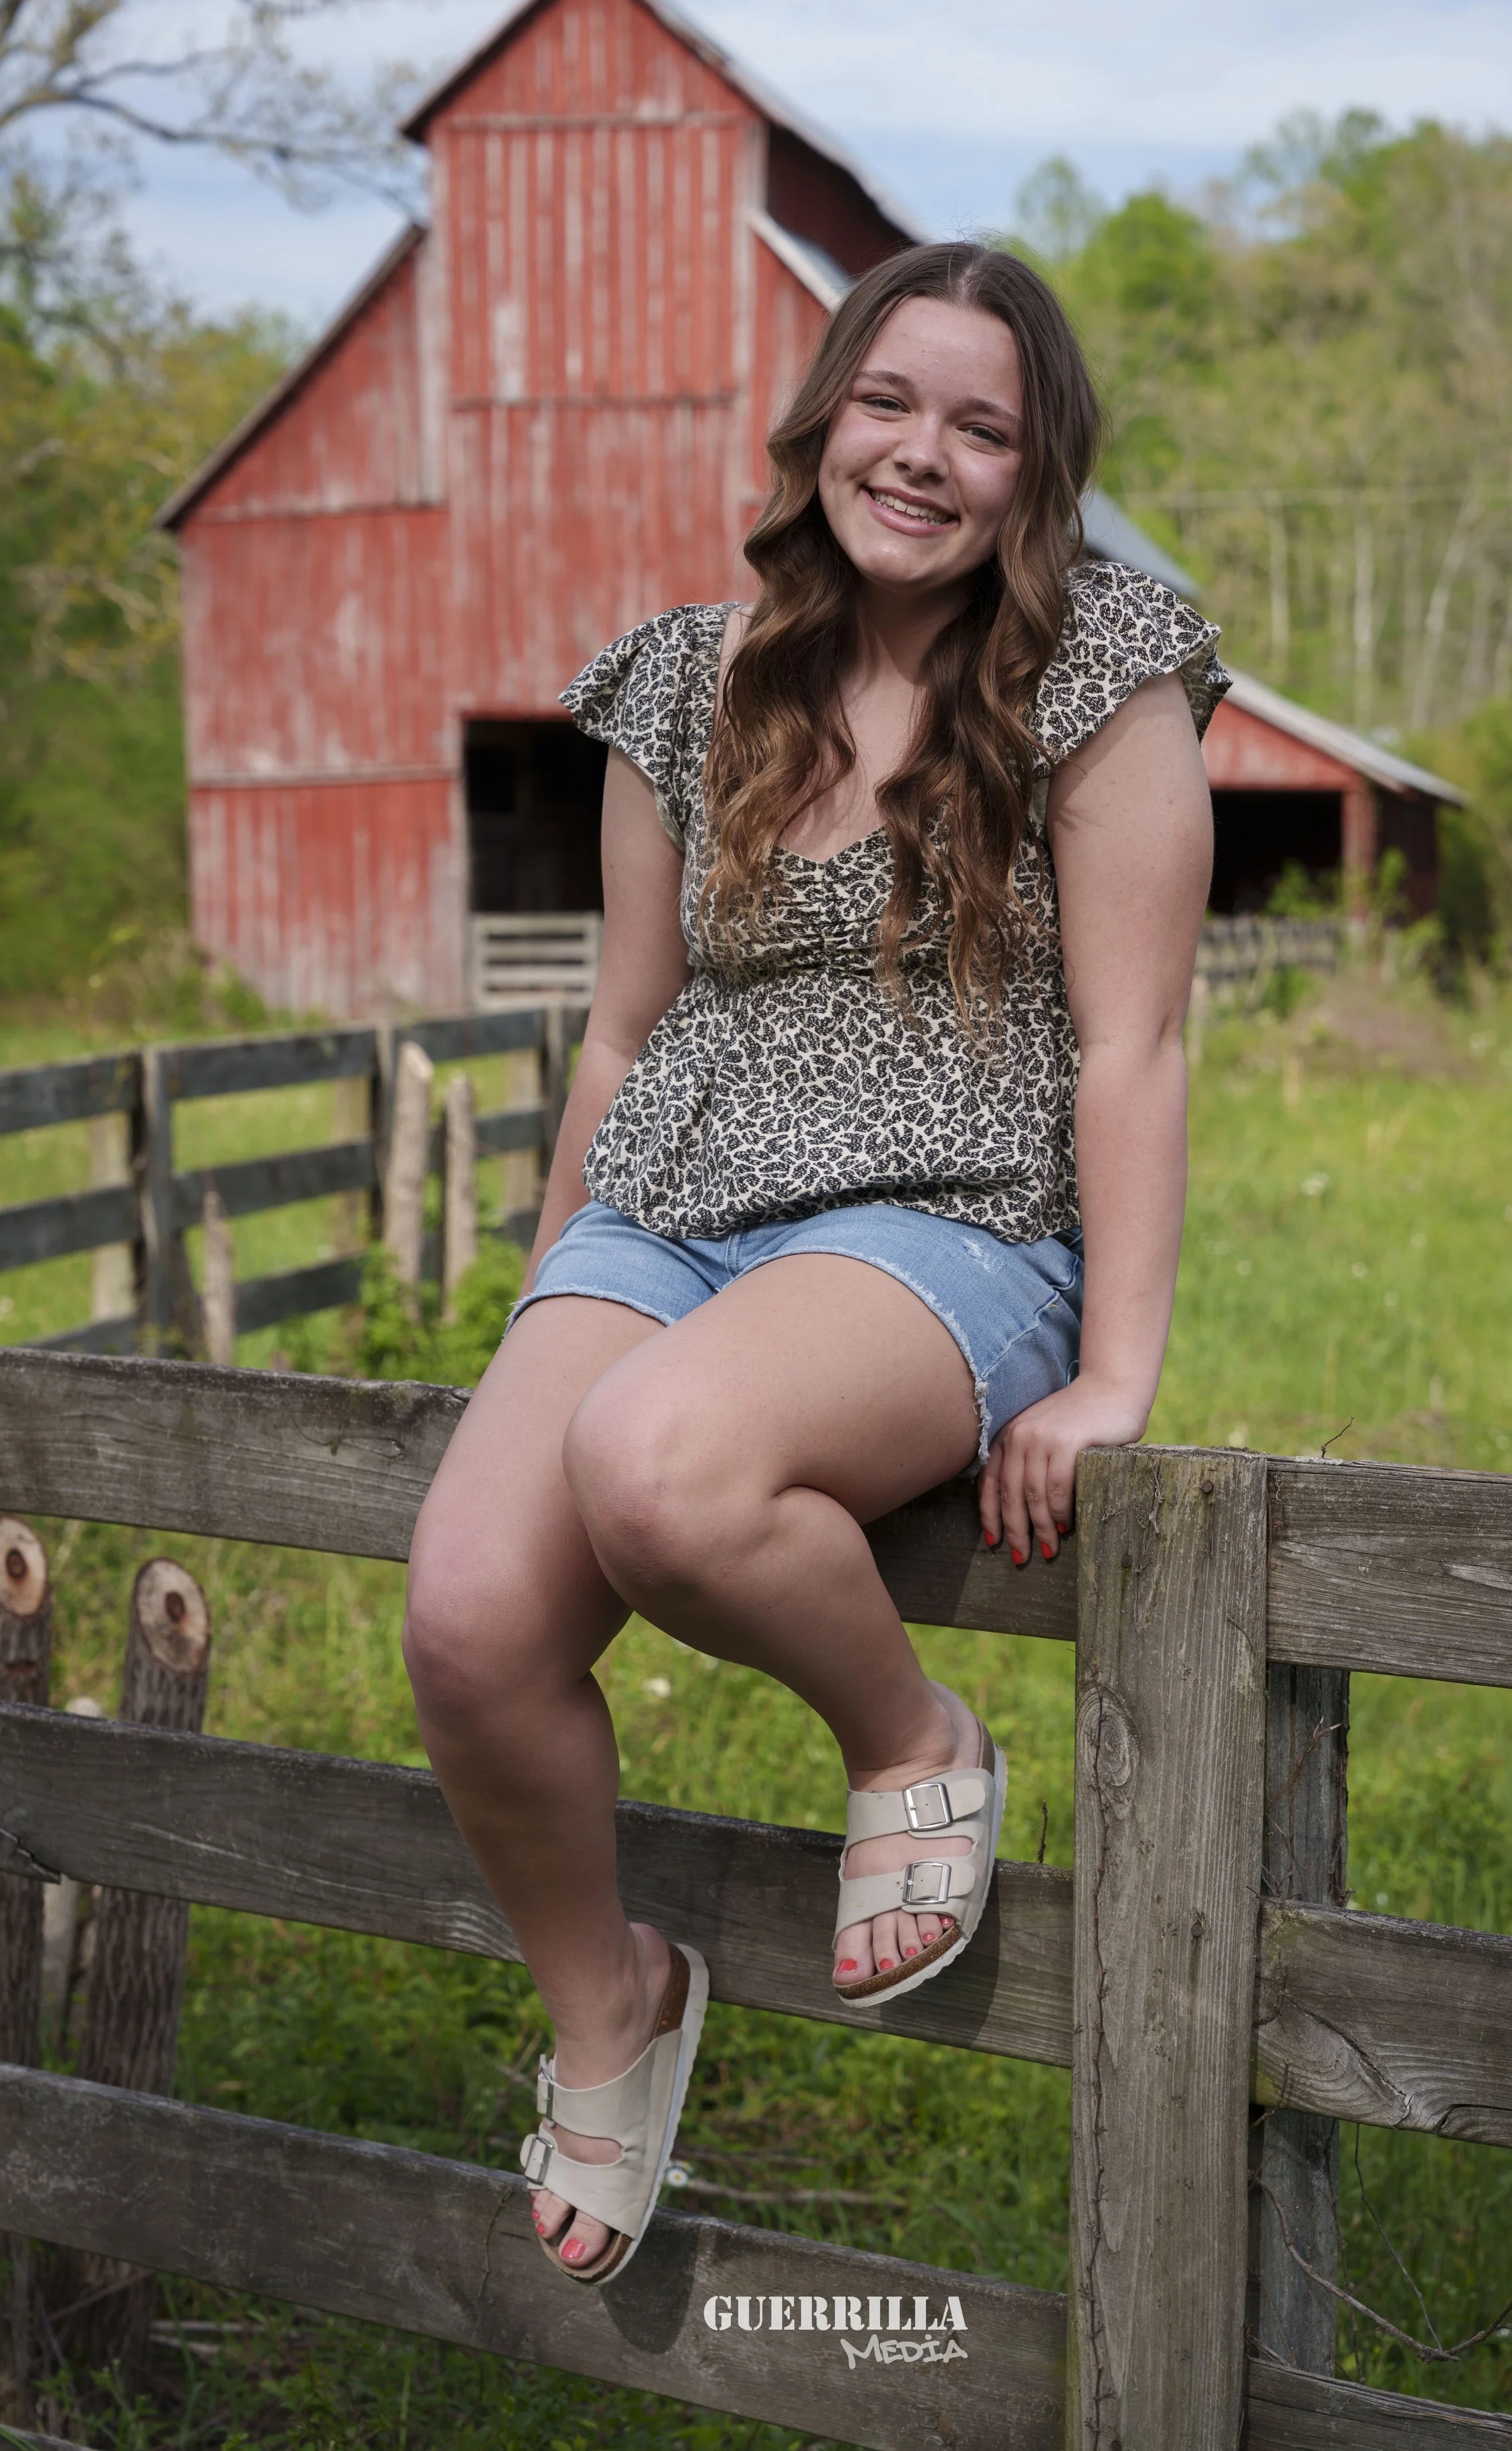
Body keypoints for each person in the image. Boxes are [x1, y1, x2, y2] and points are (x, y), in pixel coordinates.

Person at [403, 240, 1225, 2287]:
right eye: (888, 402)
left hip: (936, 1221)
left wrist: (1114, 1371)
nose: (920, 456)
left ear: (1035, 477)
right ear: (820, 418)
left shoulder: (1098, 673)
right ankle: (613, 1998)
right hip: (659, 1206)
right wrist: (544, 1294)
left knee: (662, 1468)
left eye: (981, 427)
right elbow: (618, 1026)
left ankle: (912, 1742)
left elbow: (1132, 1041)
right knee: (468, 1615)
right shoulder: (682, 679)